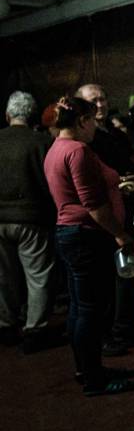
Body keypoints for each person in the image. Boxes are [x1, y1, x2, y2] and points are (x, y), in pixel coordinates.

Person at [43, 96, 134, 396]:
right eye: (93, 120)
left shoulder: (56, 148)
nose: (96, 126)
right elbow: (94, 205)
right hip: (86, 235)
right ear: (82, 121)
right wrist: (120, 234)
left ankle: (87, 368)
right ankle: (95, 379)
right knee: (92, 310)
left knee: (80, 307)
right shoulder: (78, 150)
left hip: (70, 234)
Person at [0, 91, 55, 353]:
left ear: (8, 115)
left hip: (0, 219)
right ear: (32, 115)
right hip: (32, 219)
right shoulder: (41, 142)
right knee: (38, 276)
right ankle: (35, 329)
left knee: (4, 277)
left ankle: (5, 324)